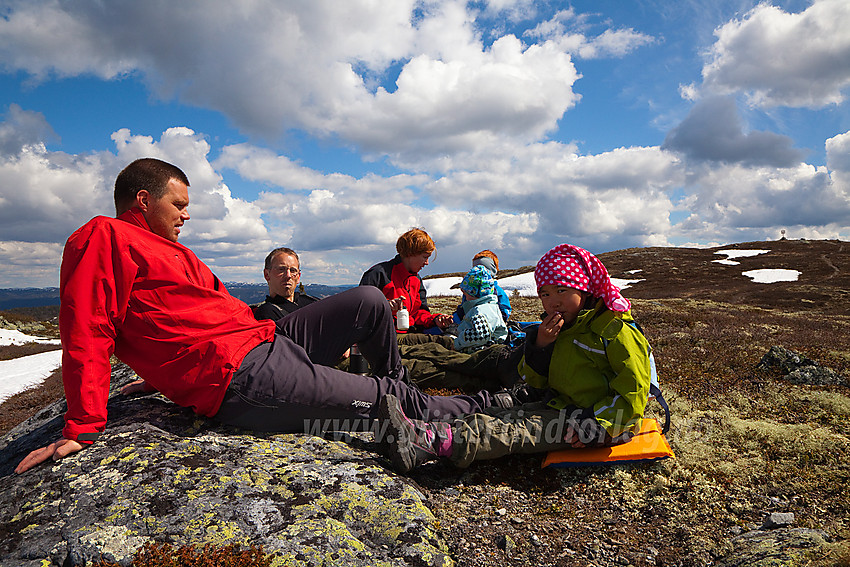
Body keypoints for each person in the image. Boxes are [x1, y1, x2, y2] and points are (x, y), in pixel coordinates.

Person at [14, 158, 513, 474]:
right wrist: (82, 424)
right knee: (383, 398)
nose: (187, 215)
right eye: (179, 204)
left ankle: (409, 397)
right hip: (242, 375)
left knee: (369, 302)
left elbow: (174, 322)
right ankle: (492, 406)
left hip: (268, 337)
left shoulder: (164, 248)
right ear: (143, 200)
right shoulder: (103, 237)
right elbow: (89, 325)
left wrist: (159, 377)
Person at [380, 244, 653, 473]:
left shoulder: (615, 331)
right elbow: (534, 379)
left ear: (583, 288)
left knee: (514, 429)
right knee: (497, 413)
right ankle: (421, 432)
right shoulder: (563, 329)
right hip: (560, 404)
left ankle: (428, 445)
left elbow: (634, 392)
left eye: (561, 291)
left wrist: (598, 425)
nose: (552, 302)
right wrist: (541, 346)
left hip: (594, 424)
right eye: (545, 294)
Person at [359, 228, 453, 343]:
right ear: (410, 253)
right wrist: (386, 306)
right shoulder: (379, 274)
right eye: (425, 257)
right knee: (443, 345)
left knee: (446, 342)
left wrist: (435, 320)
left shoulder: (416, 280)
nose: (427, 262)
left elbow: (419, 313)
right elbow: (360, 311)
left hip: (410, 334)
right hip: (385, 338)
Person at [253, 247, 319, 321]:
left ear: (298, 276)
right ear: (267, 275)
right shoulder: (266, 314)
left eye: (293, 270)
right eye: (281, 269)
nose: (288, 275)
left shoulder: (313, 303)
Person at [453, 265, 508, 353]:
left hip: (480, 353)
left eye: (466, 293)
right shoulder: (489, 306)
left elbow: (480, 335)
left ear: (473, 293)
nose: (465, 297)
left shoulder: (480, 310)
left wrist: (457, 343)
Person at [452, 250, 512, 324]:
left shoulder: (497, 291)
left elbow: (505, 311)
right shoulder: (470, 290)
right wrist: (453, 319)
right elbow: (463, 309)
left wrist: (496, 322)